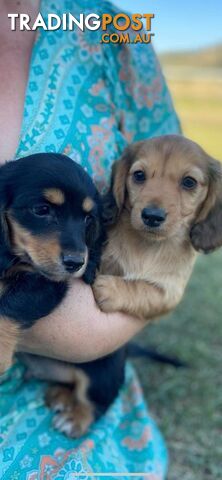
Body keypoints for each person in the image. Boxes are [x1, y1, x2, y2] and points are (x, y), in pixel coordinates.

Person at [0, 0, 181, 478]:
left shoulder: (111, 27)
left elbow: (181, 191)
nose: (74, 246)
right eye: (42, 211)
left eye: (85, 222)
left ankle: (88, 406)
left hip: (81, 369)